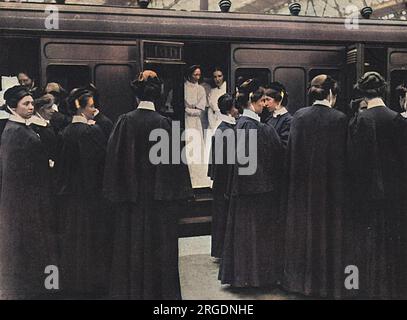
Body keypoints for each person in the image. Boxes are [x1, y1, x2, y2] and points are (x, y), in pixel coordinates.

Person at [103, 70, 193, 300]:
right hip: (159, 205)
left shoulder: (124, 122)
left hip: (131, 203)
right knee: (159, 252)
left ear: (136, 96)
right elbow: (176, 171)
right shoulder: (166, 125)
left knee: (130, 249)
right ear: (158, 97)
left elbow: (113, 163)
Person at [283, 75, 347, 298]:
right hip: (329, 191)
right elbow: (341, 161)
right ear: (330, 93)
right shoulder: (339, 119)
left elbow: (291, 155)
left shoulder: (299, 117)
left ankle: (300, 283)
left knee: (302, 233)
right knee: (326, 235)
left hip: (300, 189)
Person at [346, 72, 407, 299]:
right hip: (395, 195)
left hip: (365, 196)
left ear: (362, 93)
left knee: (367, 243)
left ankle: (368, 289)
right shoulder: (398, 120)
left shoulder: (360, 121)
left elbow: (353, 163)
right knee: (392, 242)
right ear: (383, 91)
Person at [219, 79, 284, 288]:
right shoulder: (260, 128)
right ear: (253, 101)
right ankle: (256, 278)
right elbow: (276, 157)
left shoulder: (236, 125)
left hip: (241, 190)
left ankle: (241, 277)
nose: (265, 104)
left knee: (242, 236)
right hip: (259, 192)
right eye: (263, 100)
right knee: (256, 236)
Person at [0, 85, 56, 299]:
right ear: (13, 106)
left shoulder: (13, 130)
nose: (32, 107)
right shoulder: (21, 134)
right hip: (27, 200)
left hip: (18, 199)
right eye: (26, 104)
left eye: (32, 103)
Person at [56, 87, 111, 298]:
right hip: (92, 198)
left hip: (71, 198)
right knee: (93, 242)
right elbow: (102, 165)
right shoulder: (93, 132)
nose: (94, 109)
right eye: (91, 106)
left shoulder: (64, 133)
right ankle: (95, 286)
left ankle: (74, 285)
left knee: (74, 242)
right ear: (81, 109)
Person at [208, 93, 239, 259]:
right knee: (224, 215)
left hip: (221, 180)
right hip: (225, 180)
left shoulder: (222, 128)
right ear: (230, 109)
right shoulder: (227, 130)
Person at [184, 65, 212, 188]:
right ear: (190, 74)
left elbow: (200, 110)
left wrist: (187, 108)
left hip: (195, 123)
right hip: (184, 121)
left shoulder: (200, 89)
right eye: (195, 74)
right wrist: (190, 107)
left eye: (199, 74)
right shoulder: (183, 87)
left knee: (195, 148)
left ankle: (196, 178)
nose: (197, 77)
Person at [30, 94, 60, 168]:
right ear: (40, 109)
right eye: (49, 108)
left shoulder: (49, 124)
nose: (53, 111)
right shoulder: (35, 127)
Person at [263, 82, 292, 149]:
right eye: (264, 100)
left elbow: (284, 146)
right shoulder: (269, 118)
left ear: (279, 99)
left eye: (268, 99)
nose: (265, 104)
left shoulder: (288, 121)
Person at [207, 67, 227, 132]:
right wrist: (212, 125)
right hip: (213, 121)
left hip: (225, 121)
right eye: (215, 77)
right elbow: (210, 110)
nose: (217, 79)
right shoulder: (212, 91)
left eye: (219, 76)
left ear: (224, 76)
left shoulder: (228, 88)